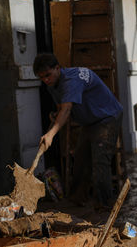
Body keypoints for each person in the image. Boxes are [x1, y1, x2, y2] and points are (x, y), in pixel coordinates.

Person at [33, 53, 123, 208]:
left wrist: (50, 134)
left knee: (100, 161)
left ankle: (105, 206)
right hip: (90, 121)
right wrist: (55, 116)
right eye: (42, 78)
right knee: (81, 160)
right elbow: (62, 108)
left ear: (58, 68)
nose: (46, 80)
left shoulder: (70, 80)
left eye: (48, 75)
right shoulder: (52, 85)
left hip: (107, 117)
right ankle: (77, 200)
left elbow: (67, 109)